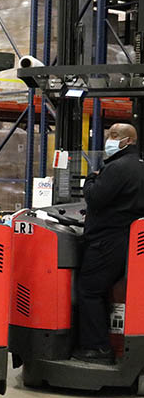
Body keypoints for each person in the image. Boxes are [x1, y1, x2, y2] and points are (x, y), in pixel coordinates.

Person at [72, 123, 144, 364]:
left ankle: (97, 348)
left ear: (129, 141)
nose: (108, 140)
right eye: (108, 135)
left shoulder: (117, 168)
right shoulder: (139, 166)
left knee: (89, 290)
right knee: (103, 291)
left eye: (115, 136)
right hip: (126, 240)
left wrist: (89, 181)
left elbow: (96, 198)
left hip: (106, 241)